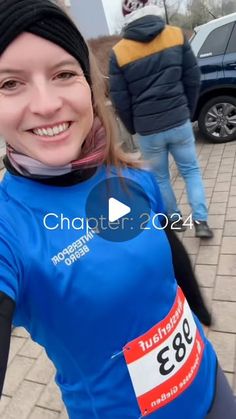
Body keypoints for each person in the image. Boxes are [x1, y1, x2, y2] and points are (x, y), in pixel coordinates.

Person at [0, 1, 235, 418]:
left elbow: (167, 245)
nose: (46, 103)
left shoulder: (131, 175)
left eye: (64, 74)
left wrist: (199, 307)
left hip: (212, 384)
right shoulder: (9, 230)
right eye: (10, 84)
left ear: (89, 86)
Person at [109, 0, 214, 239]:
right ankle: (201, 222)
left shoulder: (119, 51)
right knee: (191, 171)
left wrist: (134, 126)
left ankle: (175, 222)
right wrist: (187, 111)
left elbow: (120, 98)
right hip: (179, 120)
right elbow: (193, 78)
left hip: (148, 129)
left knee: (160, 178)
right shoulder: (175, 35)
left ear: (126, 15)